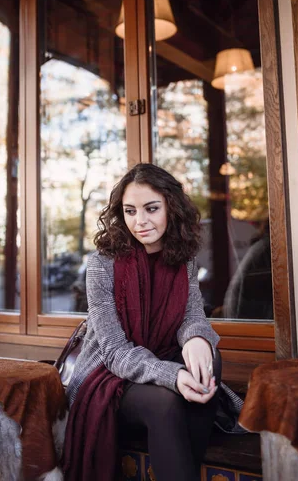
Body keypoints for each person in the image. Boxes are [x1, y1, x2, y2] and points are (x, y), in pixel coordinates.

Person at [63, 163, 221, 481]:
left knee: (211, 361)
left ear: (170, 207)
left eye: (151, 209)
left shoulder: (183, 257)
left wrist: (198, 340)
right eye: (130, 211)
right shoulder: (101, 264)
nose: (140, 221)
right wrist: (172, 375)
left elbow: (192, 315)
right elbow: (114, 352)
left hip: (159, 355)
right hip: (107, 377)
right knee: (165, 403)